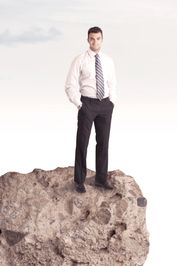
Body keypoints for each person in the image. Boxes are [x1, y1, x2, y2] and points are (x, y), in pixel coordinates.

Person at [65, 26, 117, 193]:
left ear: (102, 39)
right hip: (87, 104)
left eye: (98, 38)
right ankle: (79, 180)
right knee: (82, 142)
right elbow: (70, 85)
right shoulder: (79, 59)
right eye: (92, 39)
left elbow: (112, 83)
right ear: (88, 40)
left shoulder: (108, 60)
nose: (95, 42)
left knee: (103, 142)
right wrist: (79, 104)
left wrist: (112, 102)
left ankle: (101, 179)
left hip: (105, 105)